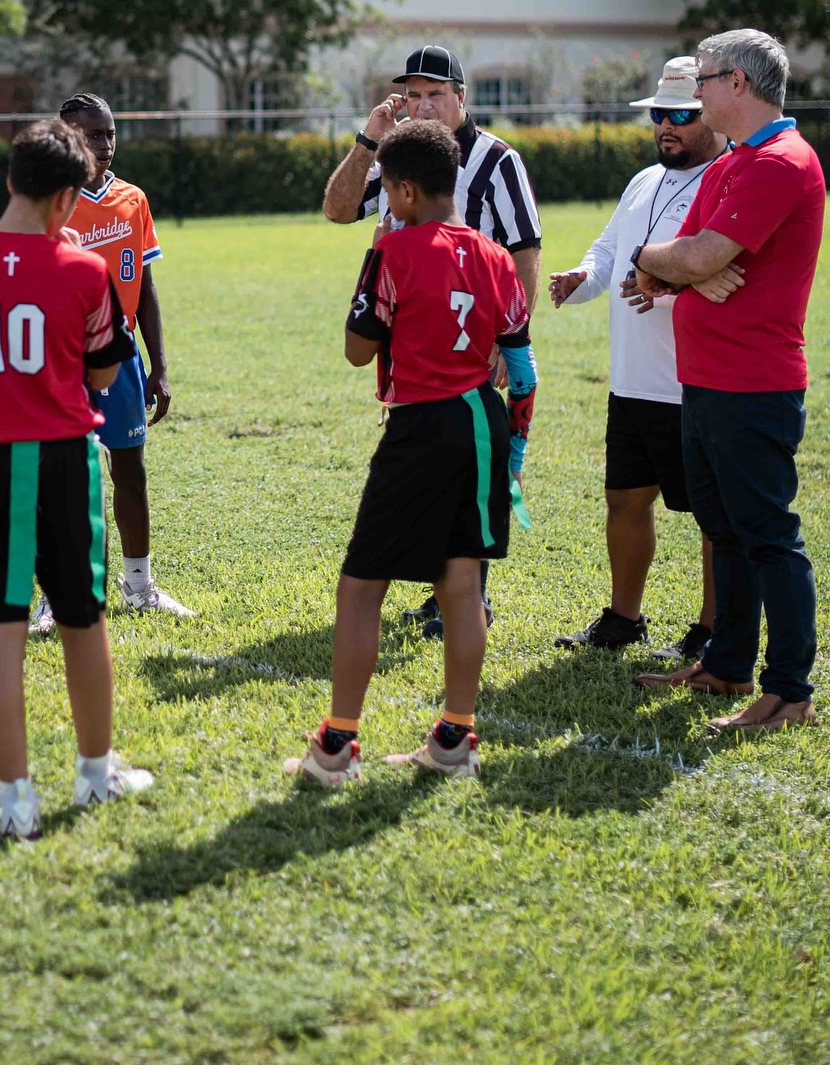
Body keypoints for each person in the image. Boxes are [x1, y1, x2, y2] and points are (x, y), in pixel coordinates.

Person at [0, 116, 154, 841]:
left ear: (10, 179)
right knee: (82, 618)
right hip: (61, 462)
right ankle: (95, 773)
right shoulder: (84, 271)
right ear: (67, 199)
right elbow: (103, 373)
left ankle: (15, 801)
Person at [286, 119, 537, 785]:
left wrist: (373, 264)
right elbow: (523, 368)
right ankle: (455, 738)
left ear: (402, 191)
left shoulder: (393, 251)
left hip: (420, 426)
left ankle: (336, 748)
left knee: (361, 585)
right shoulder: (496, 256)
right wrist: (514, 453)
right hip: (482, 424)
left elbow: (357, 349)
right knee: (462, 582)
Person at [633, 30, 823, 731]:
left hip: (754, 383)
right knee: (726, 530)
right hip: (706, 381)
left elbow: (696, 256)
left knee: (768, 535)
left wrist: (678, 263)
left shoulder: (781, 161)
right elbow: (668, 265)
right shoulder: (731, 164)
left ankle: (790, 692)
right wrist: (673, 264)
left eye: (704, 78)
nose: (695, 92)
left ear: (737, 83)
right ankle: (727, 664)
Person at [323, 43, 541, 635]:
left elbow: (524, 250)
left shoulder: (497, 160)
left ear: (461, 97)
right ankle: (445, 591)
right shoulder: (399, 153)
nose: (422, 106)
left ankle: (467, 596)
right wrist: (368, 142)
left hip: (474, 339)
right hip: (413, 342)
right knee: (440, 463)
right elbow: (339, 210)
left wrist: (509, 340)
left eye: (435, 95)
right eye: (413, 95)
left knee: (457, 460)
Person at [550, 58, 728, 657]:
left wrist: (669, 289)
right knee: (626, 499)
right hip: (631, 382)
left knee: (712, 517)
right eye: (659, 114)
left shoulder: (729, 181)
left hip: (692, 383)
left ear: (712, 113)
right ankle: (623, 619)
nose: (666, 127)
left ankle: (711, 633)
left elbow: (730, 279)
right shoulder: (643, 180)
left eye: (681, 115)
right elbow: (609, 250)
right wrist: (584, 277)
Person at [26, 92, 188, 628]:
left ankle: (140, 586)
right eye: (92, 134)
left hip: (120, 359)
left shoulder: (132, 199)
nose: (105, 143)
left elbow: (145, 285)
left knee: (131, 473)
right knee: (66, 480)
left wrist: (158, 365)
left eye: (109, 133)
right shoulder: (47, 202)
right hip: (62, 361)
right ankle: (57, 594)